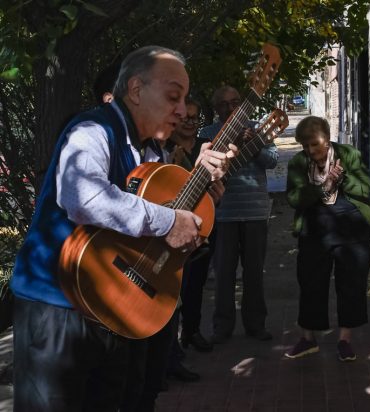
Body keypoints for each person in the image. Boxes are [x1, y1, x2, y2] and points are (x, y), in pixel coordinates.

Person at [10, 45, 236, 411]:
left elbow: (158, 230)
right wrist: (168, 220)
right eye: (173, 97)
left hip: (117, 308)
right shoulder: (92, 130)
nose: (181, 110)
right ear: (135, 90)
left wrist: (203, 198)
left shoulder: (153, 154)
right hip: (58, 308)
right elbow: (83, 197)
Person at [284, 116, 370, 361]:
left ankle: (345, 340)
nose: (311, 151)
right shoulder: (299, 162)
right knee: (311, 283)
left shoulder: (349, 154)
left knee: (351, 285)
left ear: (327, 137)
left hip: (353, 230)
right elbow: (294, 198)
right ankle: (308, 339)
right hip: (314, 231)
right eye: (305, 146)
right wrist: (324, 186)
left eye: (315, 144)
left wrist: (343, 178)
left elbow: (366, 189)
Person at [200, 85, 279, 343]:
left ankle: (256, 325)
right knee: (223, 273)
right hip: (222, 215)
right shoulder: (208, 133)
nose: (231, 108)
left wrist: (253, 144)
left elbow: (273, 160)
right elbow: (200, 173)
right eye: (224, 104)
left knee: (254, 272)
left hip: (255, 212)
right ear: (216, 109)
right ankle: (222, 327)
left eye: (235, 102)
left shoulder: (257, 129)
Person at [172, 97, 218, 352]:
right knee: (176, 287)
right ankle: (173, 345)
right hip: (173, 230)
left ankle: (193, 331)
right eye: (185, 117)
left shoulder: (205, 146)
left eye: (195, 117)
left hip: (203, 227)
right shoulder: (165, 148)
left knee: (197, 283)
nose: (189, 122)